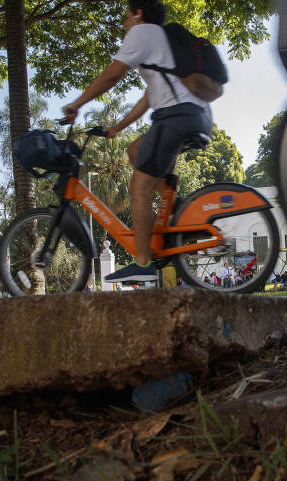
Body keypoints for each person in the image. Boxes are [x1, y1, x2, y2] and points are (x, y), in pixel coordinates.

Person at [62, 0, 213, 283]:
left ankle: (144, 262)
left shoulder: (143, 33)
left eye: (126, 16)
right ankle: (176, 206)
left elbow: (112, 75)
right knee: (135, 150)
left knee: (139, 187)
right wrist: (117, 128)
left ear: (138, 14)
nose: (123, 23)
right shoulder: (161, 44)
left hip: (176, 116)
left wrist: (77, 103)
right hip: (195, 115)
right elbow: (147, 99)